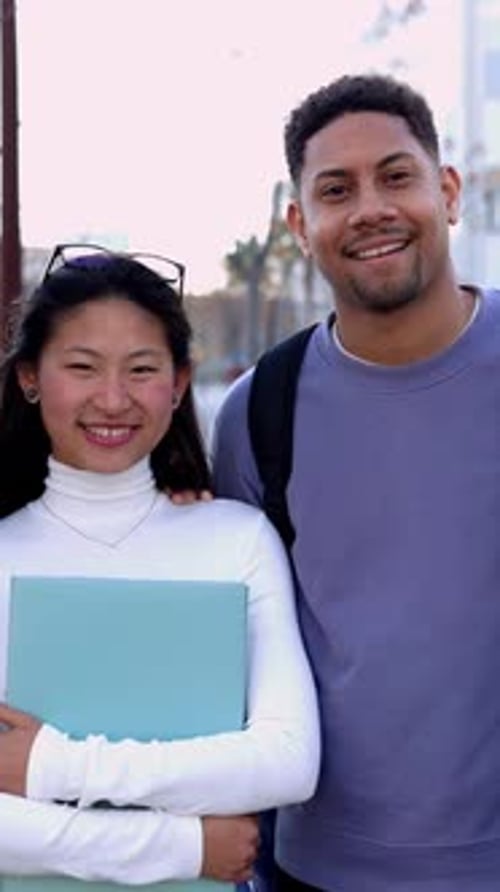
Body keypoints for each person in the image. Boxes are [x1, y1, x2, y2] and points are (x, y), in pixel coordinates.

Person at [213, 73, 500, 891]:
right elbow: (235, 640)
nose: (371, 208)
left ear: (447, 191)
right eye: (336, 190)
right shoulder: (257, 413)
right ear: (302, 225)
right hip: (314, 872)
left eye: (396, 176)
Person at [0, 245, 320, 885]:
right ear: (30, 376)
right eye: (83, 367)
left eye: (141, 369)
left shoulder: (235, 539)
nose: (113, 399)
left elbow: (288, 760)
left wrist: (52, 766)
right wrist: (181, 848)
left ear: (178, 384)